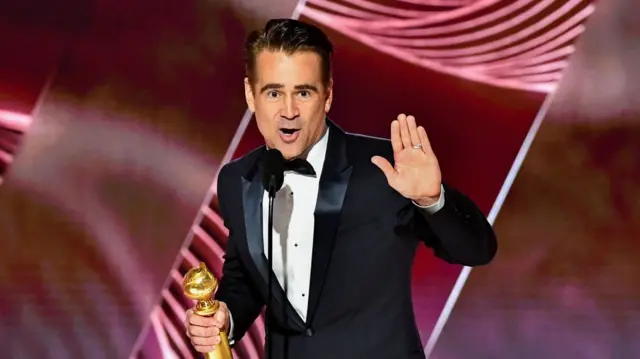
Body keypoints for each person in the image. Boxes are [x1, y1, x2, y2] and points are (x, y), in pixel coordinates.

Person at [185, 18, 497, 359]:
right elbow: (243, 276)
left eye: (303, 92)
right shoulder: (236, 179)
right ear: (250, 94)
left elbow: (476, 250)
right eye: (274, 92)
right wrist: (224, 319)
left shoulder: (385, 169)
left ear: (328, 95)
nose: (289, 112)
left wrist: (432, 200)